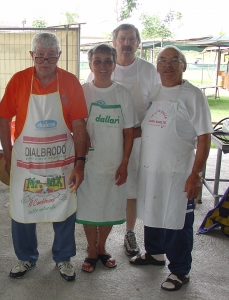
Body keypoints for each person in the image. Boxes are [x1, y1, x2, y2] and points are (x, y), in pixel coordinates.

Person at [0, 32, 87, 282]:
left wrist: (80, 162)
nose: (45, 60)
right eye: (40, 56)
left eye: (51, 56)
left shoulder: (70, 82)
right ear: (31, 55)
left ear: (59, 55)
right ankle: (25, 256)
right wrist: (8, 154)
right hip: (27, 162)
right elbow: (4, 119)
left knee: (64, 207)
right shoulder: (18, 81)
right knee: (24, 207)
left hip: (61, 161)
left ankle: (64, 258)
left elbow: (79, 125)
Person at [130, 46, 212, 291]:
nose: (168, 66)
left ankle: (180, 270)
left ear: (183, 65)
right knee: (152, 210)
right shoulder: (155, 91)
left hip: (178, 172)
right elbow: (145, 127)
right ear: (157, 67)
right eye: (162, 61)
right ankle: (154, 253)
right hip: (152, 168)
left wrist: (195, 175)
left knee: (177, 219)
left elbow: (204, 138)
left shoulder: (193, 95)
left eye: (174, 61)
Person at [87, 24, 160, 256]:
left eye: (131, 39)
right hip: (104, 142)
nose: (126, 43)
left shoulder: (149, 71)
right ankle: (95, 238)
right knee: (99, 188)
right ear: (114, 42)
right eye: (122, 39)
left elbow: (158, 106)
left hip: (137, 141)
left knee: (131, 189)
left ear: (138, 43)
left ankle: (129, 232)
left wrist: (140, 131)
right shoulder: (99, 69)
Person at [76, 44, 137, 273]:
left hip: (114, 162)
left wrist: (125, 162)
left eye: (108, 61)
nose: (103, 65)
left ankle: (102, 247)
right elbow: (75, 123)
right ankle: (91, 250)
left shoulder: (122, 93)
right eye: (97, 61)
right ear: (90, 64)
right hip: (89, 163)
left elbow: (129, 130)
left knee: (110, 206)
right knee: (90, 208)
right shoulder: (83, 91)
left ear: (114, 64)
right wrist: (82, 135)